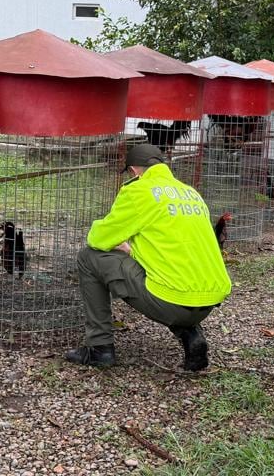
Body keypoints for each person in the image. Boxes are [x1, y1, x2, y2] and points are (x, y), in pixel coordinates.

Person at [65, 144, 232, 371]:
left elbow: (97, 239)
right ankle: (191, 333)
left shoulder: (139, 191)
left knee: (88, 257)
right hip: (208, 302)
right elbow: (174, 249)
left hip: (172, 302)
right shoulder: (191, 193)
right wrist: (133, 250)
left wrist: (119, 241)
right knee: (171, 277)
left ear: (134, 171)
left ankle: (99, 348)